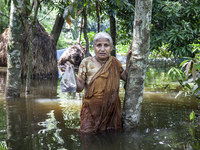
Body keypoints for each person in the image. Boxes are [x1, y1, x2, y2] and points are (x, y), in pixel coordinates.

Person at [72, 32, 131, 133]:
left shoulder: (114, 63)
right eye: (99, 45)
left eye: (106, 45)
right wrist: (72, 75)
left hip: (111, 113)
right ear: (94, 47)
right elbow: (79, 88)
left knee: (111, 138)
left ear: (111, 48)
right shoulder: (86, 63)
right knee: (88, 139)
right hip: (91, 113)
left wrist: (129, 59)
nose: (102, 49)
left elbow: (126, 77)